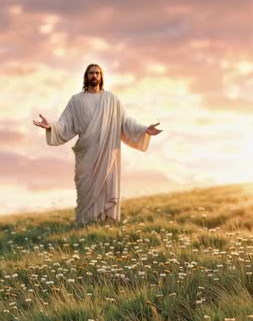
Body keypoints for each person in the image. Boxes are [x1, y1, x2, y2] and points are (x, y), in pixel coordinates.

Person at [32, 63, 163, 226]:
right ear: (86, 77)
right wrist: (51, 126)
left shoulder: (111, 100)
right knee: (84, 190)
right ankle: (84, 224)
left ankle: (106, 224)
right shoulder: (76, 100)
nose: (94, 76)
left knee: (107, 187)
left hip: (107, 154)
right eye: (91, 73)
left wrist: (144, 129)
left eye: (97, 73)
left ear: (101, 77)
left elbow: (125, 122)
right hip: (86, 154)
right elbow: (65, 124)